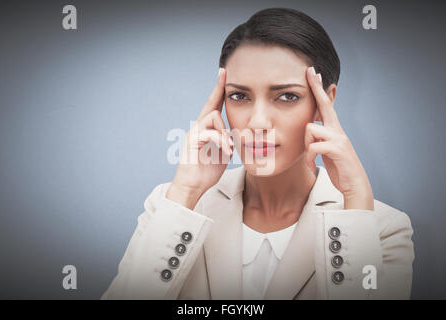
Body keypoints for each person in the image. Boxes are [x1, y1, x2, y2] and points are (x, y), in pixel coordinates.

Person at [101, 7, 414, 300]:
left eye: (287, 96)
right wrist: (185, 191)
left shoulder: (382, 228)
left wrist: (356, 201)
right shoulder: (169, 207)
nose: (258, 122)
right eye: (239, 96)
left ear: (324, 103)